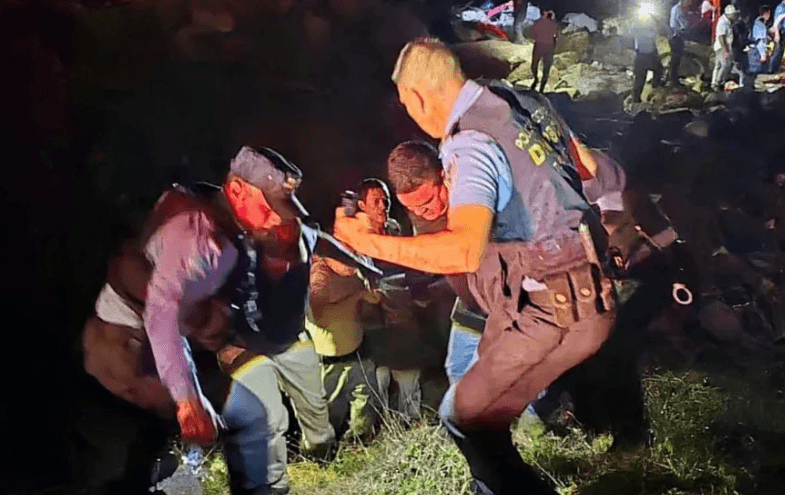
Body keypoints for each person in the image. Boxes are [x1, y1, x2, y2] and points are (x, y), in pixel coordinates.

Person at [335, 38, 618, 494]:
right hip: (589, 291)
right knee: (487, 412)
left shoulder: (469, 144)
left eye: (407, 107)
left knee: (463, 415)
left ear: (417, 97)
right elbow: (593, 173)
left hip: (551, 308)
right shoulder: (521, 101)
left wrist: (365, 241)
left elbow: (463, 251)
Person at [84, 146, 336, 495]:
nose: (277, 220)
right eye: (270, 208)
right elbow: (162, 315)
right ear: (237, 190)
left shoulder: (232, 221)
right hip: (127, 349)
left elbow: (307, 239)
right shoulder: (199, 240)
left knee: (231, 420)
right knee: (220, 424)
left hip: (168, 343)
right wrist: (187, 400)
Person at [630, 12, 664, 103]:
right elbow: (654, 34)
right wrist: (657, 22)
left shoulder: (637, 29)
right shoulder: (645, 30)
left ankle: (637, 99)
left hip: (642, 56)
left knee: (641, 79)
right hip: (645, 56)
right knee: (656, 73)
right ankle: (653, 89)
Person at [712, 4, 739, 91]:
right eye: (734, 14)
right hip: (721, 47)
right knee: (725, 64)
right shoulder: (723, 23)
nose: (735, 16)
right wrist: (726, 50)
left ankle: (714, 83)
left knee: (718, 66)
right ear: (729, 14)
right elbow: (721, 37)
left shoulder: (727, 22)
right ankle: (718, 82)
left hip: (722, 47)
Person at [529, 10, 558, 92]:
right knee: (540, 67)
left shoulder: (551, 24)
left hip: (545, 46)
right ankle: (538, 82)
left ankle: (540, 85)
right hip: (543, 46)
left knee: (542, 67)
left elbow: (532, 34)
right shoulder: (542, 23)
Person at [743, 5, 771, 91]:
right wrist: (763, 55)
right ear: (766, 13)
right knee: (754, 73)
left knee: (752, 72)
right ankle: (750, 90)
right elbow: (760, 41)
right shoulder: (760, 25)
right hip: (756, 51)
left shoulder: (755, 22)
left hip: (753, 50)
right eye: (769, 13)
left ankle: (747, 89)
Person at [669, 0, 690, 86]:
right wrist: (681, 29)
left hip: (680, 35)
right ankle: (673, 80)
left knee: (678, 59)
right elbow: (674, 24)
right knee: (675, 58)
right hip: (676, 36)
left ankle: (675, 78)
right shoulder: (676, 9)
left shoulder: (682, 9)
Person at [769, 0, 785, 72]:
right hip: (781, 32)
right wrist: (777, 34)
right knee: (778, 50)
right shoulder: (780, 8)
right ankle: (772, 68)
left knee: (780, 51)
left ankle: (775, 68)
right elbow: (776, 22)